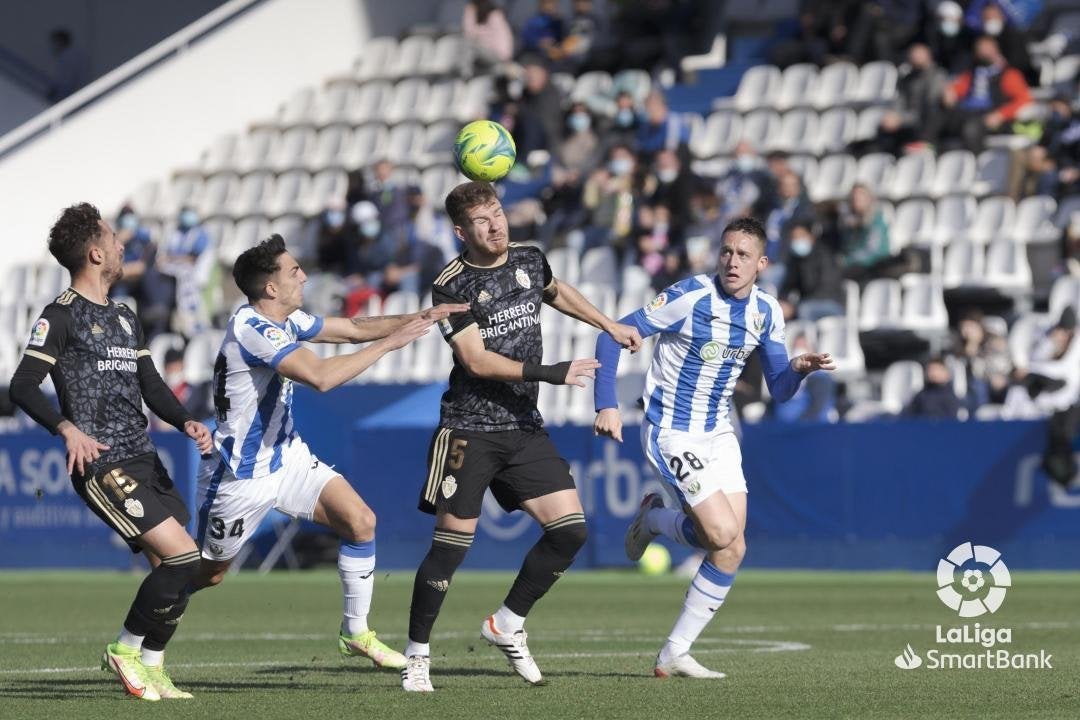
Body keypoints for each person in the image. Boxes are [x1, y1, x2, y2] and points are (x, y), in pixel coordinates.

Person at [400, 181, 642, 692]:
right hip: (469, 427)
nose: (496, 226)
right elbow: (475, 360)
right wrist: (553, 372)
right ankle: (417, 655)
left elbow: (556, 291)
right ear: (461, 231)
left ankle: (507, 623)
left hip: (523, 427)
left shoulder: (530, 260)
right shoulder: (451, 285)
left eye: (498, 214)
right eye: (482, 221)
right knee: (451, 546)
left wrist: (607, 322)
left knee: (571, 529)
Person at [190, 235, 467, 671]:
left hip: (286, 455)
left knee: (360, 521)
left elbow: (353, 328)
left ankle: (355, 633)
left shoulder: (287, 318)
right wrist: (391, 345)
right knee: (209, 573)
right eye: (293, 270)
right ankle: (144, 624)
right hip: (241, 472)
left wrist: (423, 316)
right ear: (271, 289)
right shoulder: (253, 329)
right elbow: (319, 377)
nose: (303, 275)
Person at [593, 217, 835, 678]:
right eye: (726, 251)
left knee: (729, 546)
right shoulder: (689, 297)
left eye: (744, 254)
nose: (732, 261)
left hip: (718, 434)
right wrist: (605, 404)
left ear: (762, 263)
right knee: (722, 533)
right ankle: (657, 522)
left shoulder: (767, 312)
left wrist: (800, 368)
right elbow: (611, 334)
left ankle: (673, 649)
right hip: (672, 431)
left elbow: (780, 389)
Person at [8, 203, 214, 700]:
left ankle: (152, 665)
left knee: (177, 570)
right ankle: (124, 648)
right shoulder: (60, 315)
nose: (123, 245)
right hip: (102, 462)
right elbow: (23, 385)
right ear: (96, 252)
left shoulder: (124, 316)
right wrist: (66, 429)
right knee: (184, 557)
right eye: (114, 239)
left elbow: (151, 382)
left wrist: (184, 418)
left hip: (143, 456)